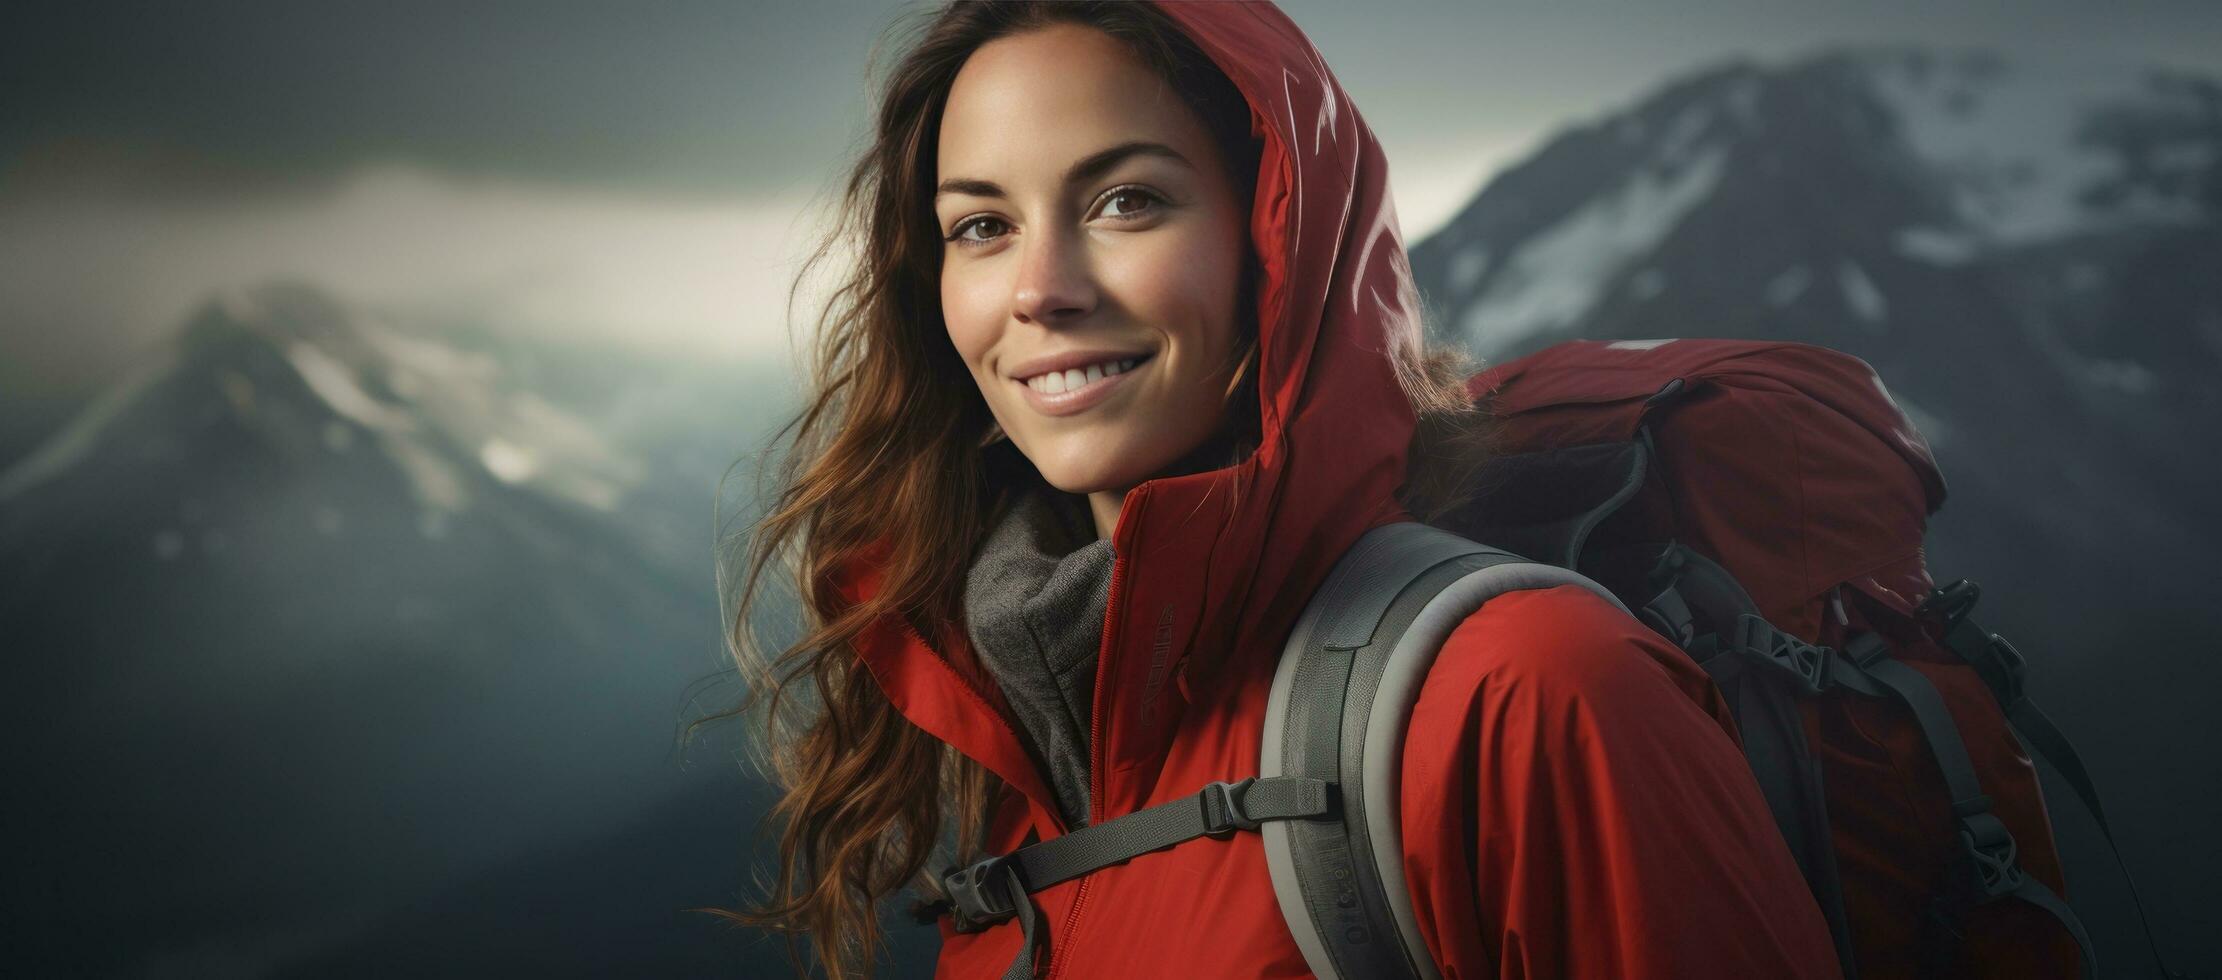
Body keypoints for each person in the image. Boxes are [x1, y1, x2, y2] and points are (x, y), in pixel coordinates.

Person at [718, 2, 1842, 977]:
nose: (1039, 289)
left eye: (1125, 202)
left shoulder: (1530, 690)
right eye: (981, 226)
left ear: (1281, 241)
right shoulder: (1036, 752)